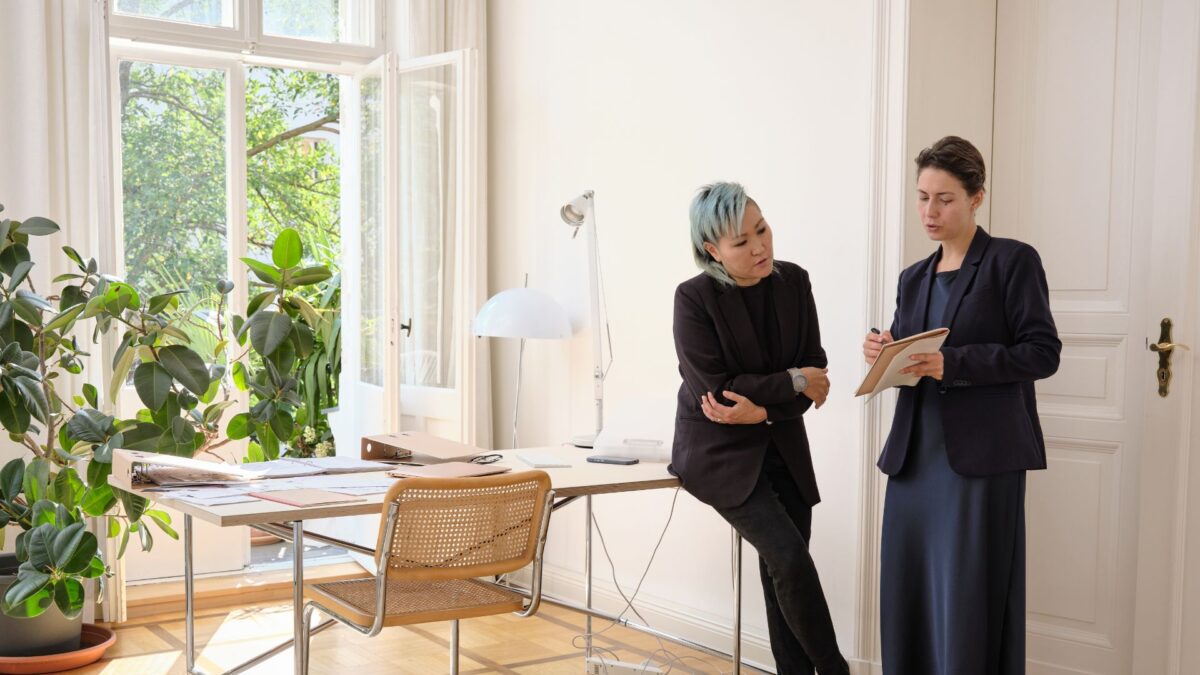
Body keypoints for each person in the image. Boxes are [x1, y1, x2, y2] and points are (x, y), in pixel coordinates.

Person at [863, 136, 1061, 674]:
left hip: (980, 459)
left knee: (969, 594)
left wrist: (957, 363)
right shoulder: (913, 277)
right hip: (914, 458)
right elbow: (913, 361)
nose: (929, 211)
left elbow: (1042, 353)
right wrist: (885, 351)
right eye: (922, 196)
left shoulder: (1011, 261)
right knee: (909, 589)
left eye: (945, 198)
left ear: (976, 197)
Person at [672, 182, 849, 675]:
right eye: (741, 242)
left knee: (782, 575)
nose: (760, 247)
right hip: (720, 453)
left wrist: (767, 408)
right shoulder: (693, 299)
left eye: (762, 229)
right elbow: (718, 388)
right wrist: (789, 382)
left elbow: (816, 371)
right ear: (713, 250)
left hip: (783, 442)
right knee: (789, 558)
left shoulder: (795, 281)